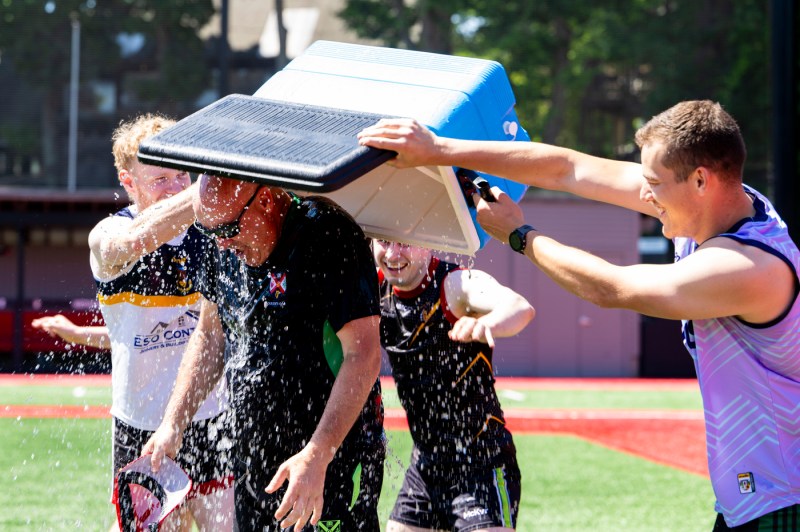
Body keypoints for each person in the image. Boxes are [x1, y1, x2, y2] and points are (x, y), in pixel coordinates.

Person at [358, 100, 800, 530]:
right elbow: (567, 168)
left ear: (701, 181)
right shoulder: (713, 209)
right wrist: (439, 150)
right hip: (753, 500)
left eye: (654, 182)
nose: (645, 194)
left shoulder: (748, 266)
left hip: (782, 501)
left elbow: (612, 288)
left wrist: (519, 235)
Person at [142, 175, 386, 531]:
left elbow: (363, 356)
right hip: (254, 460)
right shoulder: (220, 239)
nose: (221, 245)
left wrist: (318, 455)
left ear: (266, 202)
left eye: (227, 230)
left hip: (331, 459)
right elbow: (211, 335)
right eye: (209, 233)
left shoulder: (327, 234)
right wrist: (173, 422)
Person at [90, 114, 234, 531]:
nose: (175, 189)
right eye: (160, 180)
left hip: (209, 418)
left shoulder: (215, 234)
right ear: (128, 181)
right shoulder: (107, 232)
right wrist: (206, 193)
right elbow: (130, 243)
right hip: (138, 426)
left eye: (181, 176)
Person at [373, 238, 534, 532]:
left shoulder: (456, 284)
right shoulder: (374, 288)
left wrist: (491, 322)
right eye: (384, 241)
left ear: (429, 241)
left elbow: (519, 306)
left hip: (481, 462)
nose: (394, 254)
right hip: (425, 465)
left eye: (406, 243)